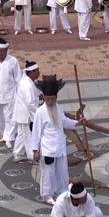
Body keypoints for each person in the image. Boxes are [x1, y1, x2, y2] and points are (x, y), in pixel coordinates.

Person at [31, 75, 86, 204]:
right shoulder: (40, 112)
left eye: (53, 99)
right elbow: (36, 132)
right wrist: (35, 150)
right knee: (48, 174)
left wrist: (77, 122)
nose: (50, 101)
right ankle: (47, 194)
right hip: (47, 148)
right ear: (44, 98)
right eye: (48, 99)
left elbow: (64, 122)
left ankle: (62, 191)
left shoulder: (58, 107)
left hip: (60, 146)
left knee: (62, 172)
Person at [13, 60, 40, 161]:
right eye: (37, 71)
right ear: (32, 72)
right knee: (28, 136)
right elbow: (31, 104)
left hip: (22, 113)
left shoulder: (26, 81)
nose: (39, 73)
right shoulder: (27, 85)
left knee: (21, 134)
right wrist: (37, 115)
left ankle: (18, 154)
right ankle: (31, 156)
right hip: (26, 115)